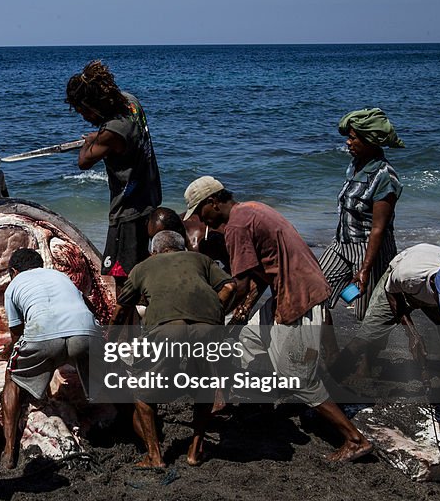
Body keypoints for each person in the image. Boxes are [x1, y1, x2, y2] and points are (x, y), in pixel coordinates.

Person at [185, 176, 373, 462]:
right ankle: (261, 402)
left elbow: (242, 284)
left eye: (200, 212)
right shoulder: (251, 209)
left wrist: (213, 314)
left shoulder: (236, 227)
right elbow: (260, 275)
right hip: (296, 287)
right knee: (247, 339)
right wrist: (241, 314)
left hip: (297, 297)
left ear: (212, 202)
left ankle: (355, 439)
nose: (201, 220)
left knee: (299, 379)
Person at [332, 244, 440, 421]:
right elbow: (392, 295)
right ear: (434, 286)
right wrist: (412, 334)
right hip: (400, 289)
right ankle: (327, 389)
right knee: (365, 337)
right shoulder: (408, 273)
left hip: (433, 291)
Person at [112, 231, 236, 467]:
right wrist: (215, 308)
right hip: (208, 327)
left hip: (168, 329)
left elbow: (121, 308)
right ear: (183, 247)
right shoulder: (200, 259)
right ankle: (194, 451)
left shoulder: (143, 266)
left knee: (141, 391)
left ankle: (155, 456)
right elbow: (230, 285)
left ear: (154, 251)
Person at [0, 249, 103, 470]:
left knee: (12, 378)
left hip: (44, 336)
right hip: (85, 333)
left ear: (14, 271)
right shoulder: (61, 276)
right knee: (101, 377)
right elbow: (88, 307)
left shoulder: (14, 286)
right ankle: (122, 426)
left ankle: (9, 450)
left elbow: (17, 335)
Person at [66, 60, 162, 285]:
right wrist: (97, 137)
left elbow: (84, 162)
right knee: (138, 268)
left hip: (128, 210)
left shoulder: (112, 131)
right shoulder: (130, 102)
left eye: (83, 112)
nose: (84, 118)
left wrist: (89, 142)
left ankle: (127, 320)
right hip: (149, 196)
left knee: (123, 278)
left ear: (93, 105)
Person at [319, 108, 403, 324]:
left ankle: (369, 356)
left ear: (370, 141)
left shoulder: (385, 177)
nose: (348, 142)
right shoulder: (356, 165)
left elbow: (378, 228)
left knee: (366, 315)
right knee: (314, 294)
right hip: (341, 245)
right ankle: (332, 353)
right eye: (348, 137)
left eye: (353, 138)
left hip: (368, 251)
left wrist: (365, 268)